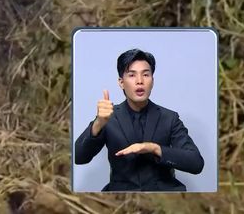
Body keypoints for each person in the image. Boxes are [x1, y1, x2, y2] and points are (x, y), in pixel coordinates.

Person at [74, 48, 204, 191]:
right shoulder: (108, 117)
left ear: (152, 81)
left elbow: (196, 163)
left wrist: (154, 148)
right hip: (121, 196)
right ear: (121, 82)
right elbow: (78, 157)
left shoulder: (169, 118)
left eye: (146, 75)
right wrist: (98, 124)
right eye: (132, 75)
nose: (140, 81)